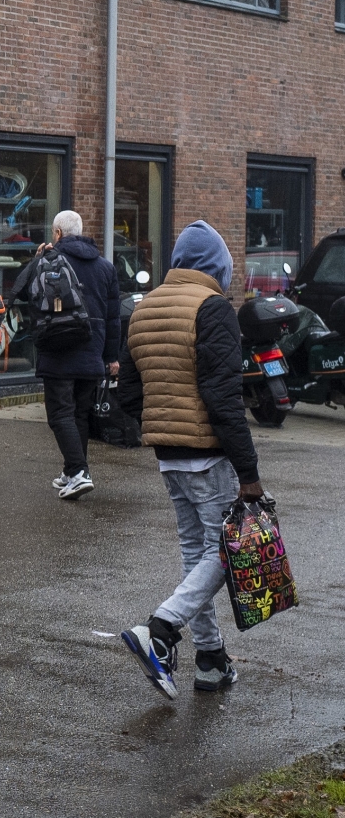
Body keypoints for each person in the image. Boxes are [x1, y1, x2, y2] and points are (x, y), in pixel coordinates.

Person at [116, 221, 257, 699]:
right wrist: (250, 474)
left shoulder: (144, 307)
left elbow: (128, 394)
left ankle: (212, 661)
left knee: (197, 555)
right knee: (227, 552)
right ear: (217, 267)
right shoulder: (213, 308)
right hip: (209, 455)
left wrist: (162, 424)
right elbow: (222, 398)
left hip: (169, 457)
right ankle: (159, 628)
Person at [12, 210, 122, 499]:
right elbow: (114, 318)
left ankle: (77, 472)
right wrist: (111, 356)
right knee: (80, 413)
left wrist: (37, 259)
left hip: (57, 344)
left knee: (60, 413)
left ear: (57, 234)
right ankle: (72, 470)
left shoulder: (48, 260)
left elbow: (21, 292)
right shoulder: (106, 267)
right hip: (92, 348)